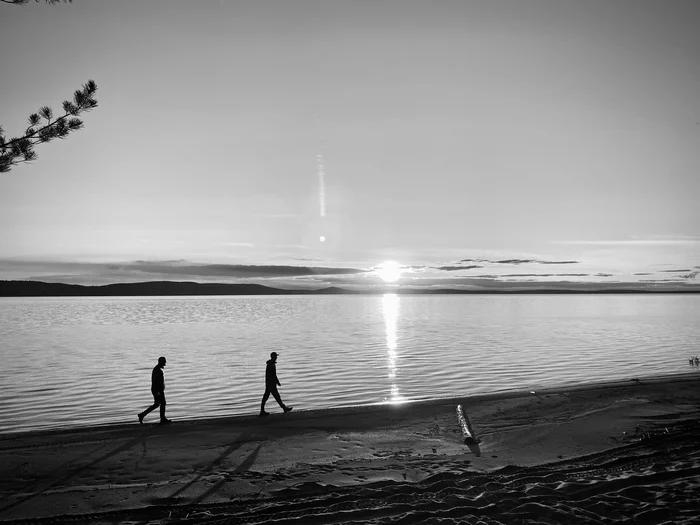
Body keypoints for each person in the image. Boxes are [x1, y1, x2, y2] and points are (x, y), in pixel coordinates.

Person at [138, 356, 171, 424]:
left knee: (159, 404)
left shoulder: (158, 369)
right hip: (157, 390)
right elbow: (156, 382)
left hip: (158, 390)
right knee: (161, 403)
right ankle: (162, 418)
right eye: (164, 361)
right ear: (161, 362)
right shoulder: (157, 370)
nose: (165, 363)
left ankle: (143, 415)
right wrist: (158, 392)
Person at [260, 352, 293, 416]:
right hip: (271, 384)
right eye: (276, 356)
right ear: (273, 357)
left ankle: (262, 411)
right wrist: (277, 382)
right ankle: (284, 408)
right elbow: (273, 375)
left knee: (267, 398)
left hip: (269, 384)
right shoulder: (271, 365)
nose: (276, 358)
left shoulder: (270, 364)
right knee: (276, 397)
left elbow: (272, 375)